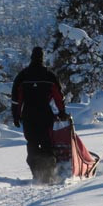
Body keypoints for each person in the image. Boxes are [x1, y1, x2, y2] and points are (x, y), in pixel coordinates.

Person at [11, 46, 68, 182]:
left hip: (29, 115)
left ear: (31, 57)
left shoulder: (23, 75)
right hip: (44, 114)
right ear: (42, 58)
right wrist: (61, 112)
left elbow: (16, 99)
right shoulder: (49, 75)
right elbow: (58, 96)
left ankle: (37, 174)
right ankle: (48, 174)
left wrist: (16, 115)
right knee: (47, 143)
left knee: (32, 143)